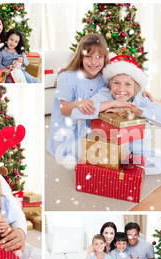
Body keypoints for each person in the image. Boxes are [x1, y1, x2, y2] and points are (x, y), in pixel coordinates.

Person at [72, 54, 161, 175]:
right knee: (75, 147)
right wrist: (112, 103)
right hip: (107, 148)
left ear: (135, 87)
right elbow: (76, 113)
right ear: (110, 84)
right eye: (116, 83)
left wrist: (139, 111)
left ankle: (116, 168)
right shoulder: (104, 95)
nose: (121, 89)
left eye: (128, 84)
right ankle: (119, 168)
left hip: (136, 150)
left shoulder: (140, 99)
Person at [46, 33, 109, 165]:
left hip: (90, 129)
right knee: (87, 159)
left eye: (99, 57)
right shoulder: (67, 78)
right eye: (88, 56)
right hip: (68, 131)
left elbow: (122, 85)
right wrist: (77, 103)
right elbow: (63, 110)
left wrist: (141, 92)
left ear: (104, 58)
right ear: (81, 57)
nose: (93, 62)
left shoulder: (104, 77)